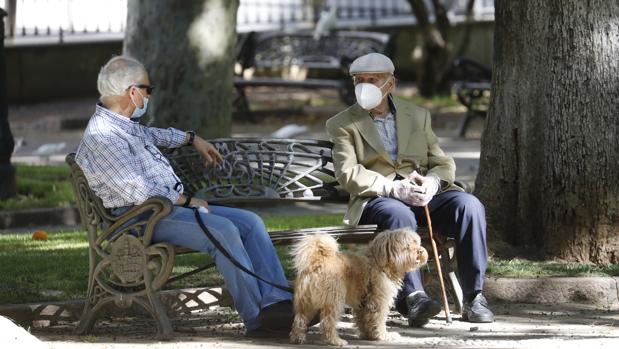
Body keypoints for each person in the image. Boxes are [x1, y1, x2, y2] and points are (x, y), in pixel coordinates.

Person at [75, 56, 294, 336]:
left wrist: (192, 139)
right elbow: (138, 191)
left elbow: (157, 135)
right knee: (224, 230)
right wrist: (188, 202)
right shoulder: (103, 135)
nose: (149, 96)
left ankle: (278, 306)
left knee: (251, 223)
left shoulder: (123, 125)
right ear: (133, 92)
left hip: (162, 211)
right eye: (148, 90)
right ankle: (257, 320)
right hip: (138, 219)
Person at [325, 53, 494, 326]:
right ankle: (414, 298)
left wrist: (433, 183)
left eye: (372, 80)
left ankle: (475, 296)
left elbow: (441, 161)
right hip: (379, 200)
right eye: (359, 81)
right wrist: (393, 189)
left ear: (389, 84)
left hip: (422, 195)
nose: (364, 86)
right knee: (398, 215)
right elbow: (348, 173)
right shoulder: (341, 123)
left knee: (470, 206)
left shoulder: (417, 115)